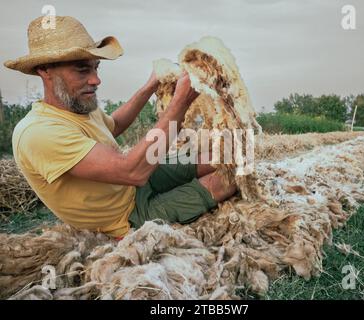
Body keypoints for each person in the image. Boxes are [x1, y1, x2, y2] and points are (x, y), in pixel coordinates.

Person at [4, 16, 237, 238]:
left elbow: (113, 126)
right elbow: (132, 172)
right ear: (45, 69)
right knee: (231, 179)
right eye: (82, 69)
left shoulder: (77, 106)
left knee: (229, 158)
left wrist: (149, 86)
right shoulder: (39, 132)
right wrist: (180, 103)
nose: (96, 80)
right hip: (128, 217)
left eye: (96, 68)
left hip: (133, 186)